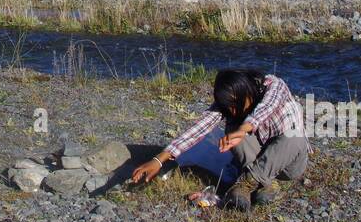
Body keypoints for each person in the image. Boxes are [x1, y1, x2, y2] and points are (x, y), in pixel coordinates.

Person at [130, 69, 308, 211]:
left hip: (289, 164)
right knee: (232, 130)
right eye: (228, 107)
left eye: (236, 104)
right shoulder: (228, 105)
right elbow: (197, 130)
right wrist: (158, 160)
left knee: (294, 136)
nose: (233, 110)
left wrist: (243, 129)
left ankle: (248, 184)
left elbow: (267, 107)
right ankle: (264, 185)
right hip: (258, 161)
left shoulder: (274, 86)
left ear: (246, 91)